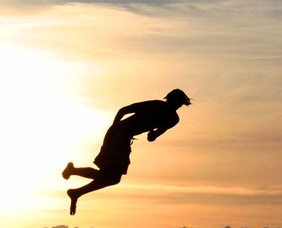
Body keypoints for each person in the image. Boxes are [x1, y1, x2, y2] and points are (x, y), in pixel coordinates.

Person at [62, 88, 191, 214]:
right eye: (177, 102)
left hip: (124, 139)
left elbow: (154, 136)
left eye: (180, 104)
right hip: (118, 135)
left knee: (112, 178)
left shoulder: (173, 119)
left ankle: (75, 189)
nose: (177, 106)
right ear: (170, 99)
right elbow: (124, 110)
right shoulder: (155, 105)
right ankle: (75, 184)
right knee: (111, 177)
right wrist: (115, 127)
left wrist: (152, 134)